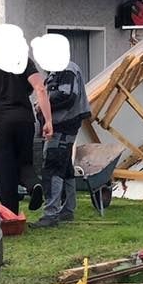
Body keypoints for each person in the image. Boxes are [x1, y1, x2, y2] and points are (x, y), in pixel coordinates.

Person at [0, 25, 52, 214]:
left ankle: (11, 215)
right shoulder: (24, 61)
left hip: (0, 122)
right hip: (25, 119)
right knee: (25, 163)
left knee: (3, 170)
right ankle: (34, 185)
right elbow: (41, 89)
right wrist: (48, 120)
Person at [31, 35, 92, 228]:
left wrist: (44, 105)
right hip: (65, 123)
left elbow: (67, 96)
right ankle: (68, 209)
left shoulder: (66, 69)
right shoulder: (58, 70)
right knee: (65, 168)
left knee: (52, 167)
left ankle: (51, 214)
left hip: (64, 124)